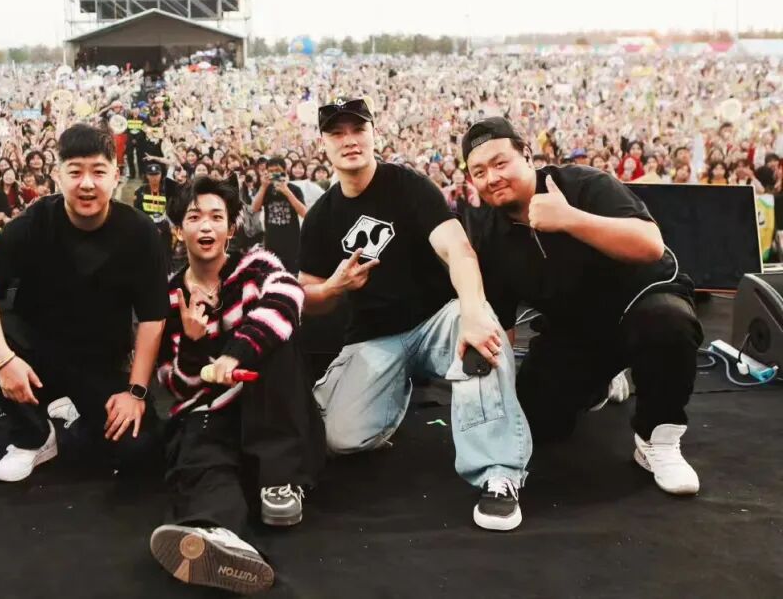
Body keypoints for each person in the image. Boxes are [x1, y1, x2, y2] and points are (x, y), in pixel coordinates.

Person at [298, 97, 532, 531]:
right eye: (337, 133)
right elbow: (308, 299)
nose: (349, 140)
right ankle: (391, 397)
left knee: (480, 334)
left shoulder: (409, 186)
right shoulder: (320, 217)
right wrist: (334, 287)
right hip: (374, 338)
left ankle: (498, 473)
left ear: (373, 134)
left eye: (358, 129)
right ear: (323, 144)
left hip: (436, 320)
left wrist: (473, 311)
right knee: (339, 438)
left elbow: (458, 249)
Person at [462, 117, 702, 496]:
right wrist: (496, 401)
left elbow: (650, 244)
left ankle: (657, 439)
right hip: (577, 330)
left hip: (640, 303)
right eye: (479, 172)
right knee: (538, 420)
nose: (492, 178)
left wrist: (569, 219)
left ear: (527, 155)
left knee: (667, 324)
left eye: (500, 163)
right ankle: (603, 381)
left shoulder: (584, 184)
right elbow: (502, 326)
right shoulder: (490, 236)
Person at [0, 124, 169, 482]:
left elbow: (153, 317)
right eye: (75, 172)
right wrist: (3, 359)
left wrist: (135, 392)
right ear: (58, 175)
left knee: (140, 449)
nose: (87, 184)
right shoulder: (35, 221)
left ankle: (75, 412)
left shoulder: (139, 232)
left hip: (99, 362)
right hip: (33, 356)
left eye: (98, 172)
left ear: (116, 176)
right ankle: (34, 436)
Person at [150, 177, 325, 594]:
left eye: (216, 217)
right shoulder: (169, 297)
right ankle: (219, 537)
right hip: (210, 416)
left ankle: (279, 479)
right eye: (194, 217)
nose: (205, 226)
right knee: (201, 453)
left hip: (269, 409)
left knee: (277, 339)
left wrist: (236, 354)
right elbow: (177, 385)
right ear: (179, 229)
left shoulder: (257, 267)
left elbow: (289, 296)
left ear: (231, 229)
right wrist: (194, 345)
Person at [249, 157, 308, 275]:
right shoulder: (265, 189)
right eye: (271, 171)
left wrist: (287, 191)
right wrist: (263, 186)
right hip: (271, 243)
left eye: (277, 171)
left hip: (292, 244)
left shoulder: (294, 189)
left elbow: (305, 213)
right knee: (272, 277)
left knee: (292, 277)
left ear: (285, 171)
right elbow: (254, 208)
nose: (274, 174)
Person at [133, 161, 177, 261]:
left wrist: (164, 228)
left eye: (157, 174)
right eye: (151, 175)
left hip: (165, 229)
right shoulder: (139, 191)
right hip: (147, 229)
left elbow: (172, 210)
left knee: (166, 257)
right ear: (147, 176)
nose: (154, 177)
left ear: (161, 175)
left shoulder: (167, 191)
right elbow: (137, 213)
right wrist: (151, 227)